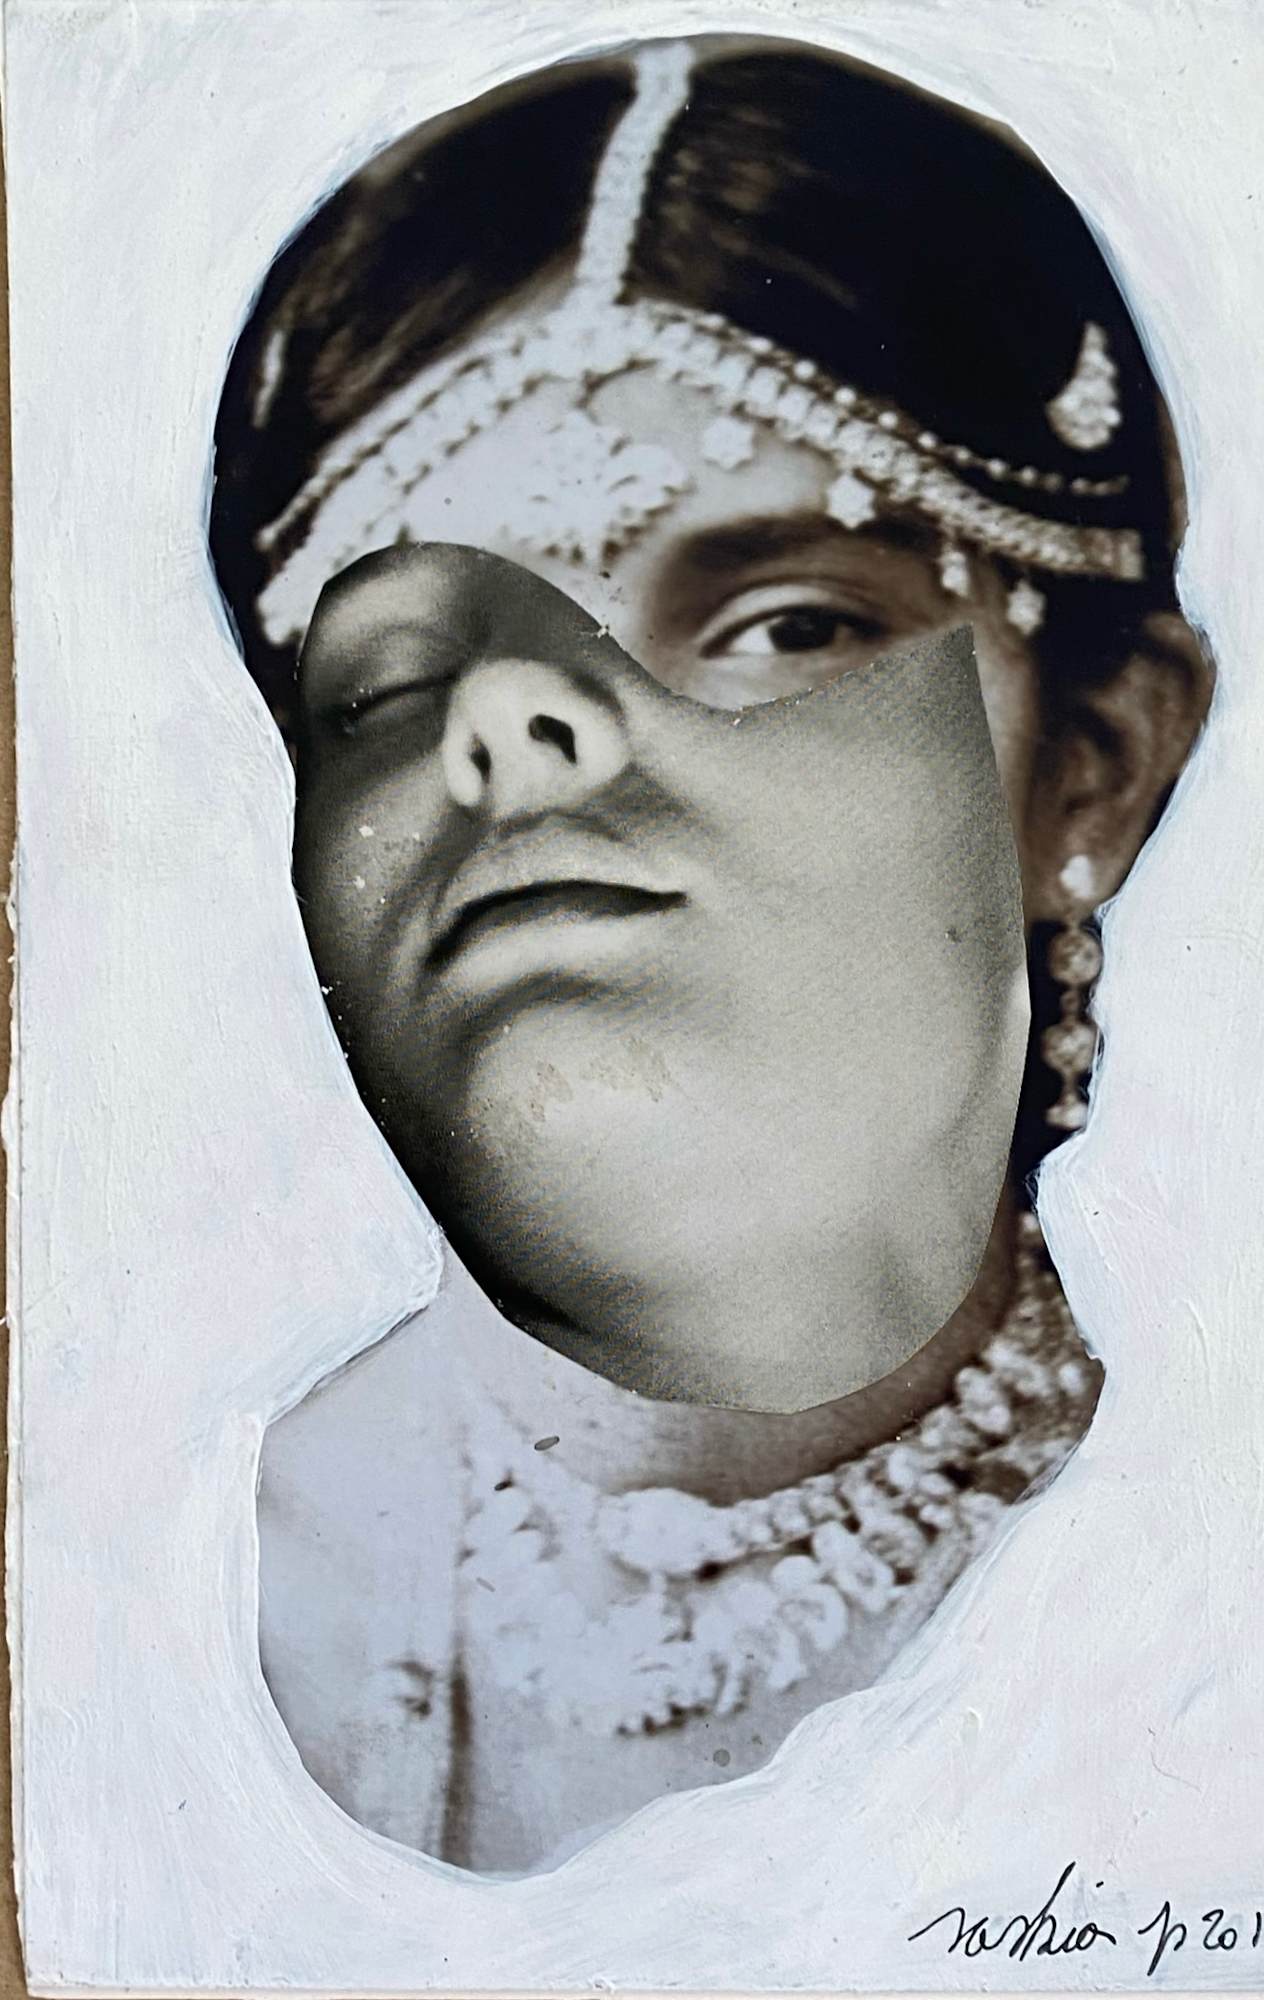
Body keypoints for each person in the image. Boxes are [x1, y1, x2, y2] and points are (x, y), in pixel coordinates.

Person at [209, 34, 1213, 1876]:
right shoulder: (146, 1589)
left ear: (1093, 762)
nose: (527, 729)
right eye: (396, 677)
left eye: (781, 621)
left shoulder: (1255, 1616)